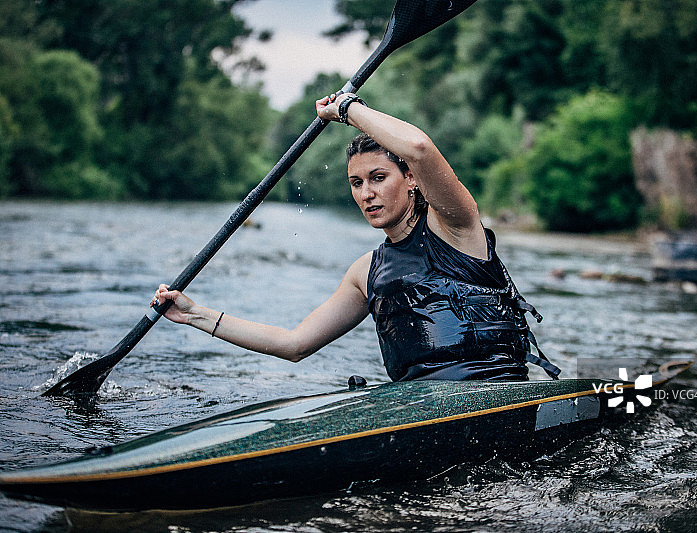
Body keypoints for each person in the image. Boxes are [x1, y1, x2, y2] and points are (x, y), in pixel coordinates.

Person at [152, 92, 560, 382]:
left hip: (497, 393)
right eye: (356, 182)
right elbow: (294, 344)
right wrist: (194, 315)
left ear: (411, 179)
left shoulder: (456, 227)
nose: (367, 193)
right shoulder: (365, 272)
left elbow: (418, 147)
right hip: (416, 405)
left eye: (379, 178)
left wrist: (349, 108)